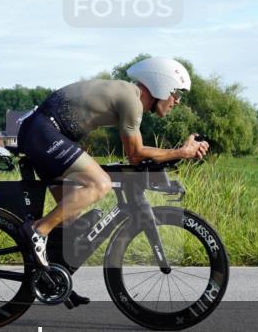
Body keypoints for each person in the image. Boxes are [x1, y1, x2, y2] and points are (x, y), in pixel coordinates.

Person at [16, 57, 209, 272]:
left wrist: (179, 154)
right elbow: (135, 155)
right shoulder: (132, 100)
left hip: (42, 132)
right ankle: (37, 231)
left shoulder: (128, 95)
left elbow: (137, 156)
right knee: (100, 184)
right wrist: (182, 152)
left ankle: (52, 278)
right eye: (176, 93)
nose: (177, 101)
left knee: (69, 218)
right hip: (43, 132)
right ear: (161, 86)